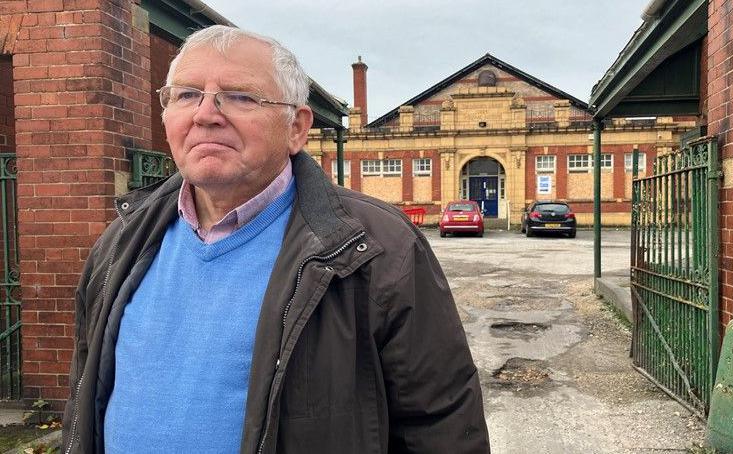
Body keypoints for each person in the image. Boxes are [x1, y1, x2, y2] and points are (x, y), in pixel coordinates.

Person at [62, 25, 490, 453]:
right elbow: (82, 401)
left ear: (297, 128)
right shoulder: (121, 241)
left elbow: (441, 423)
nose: (205, 114)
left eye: (240, 97)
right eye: (186, 94)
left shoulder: (378, 249)